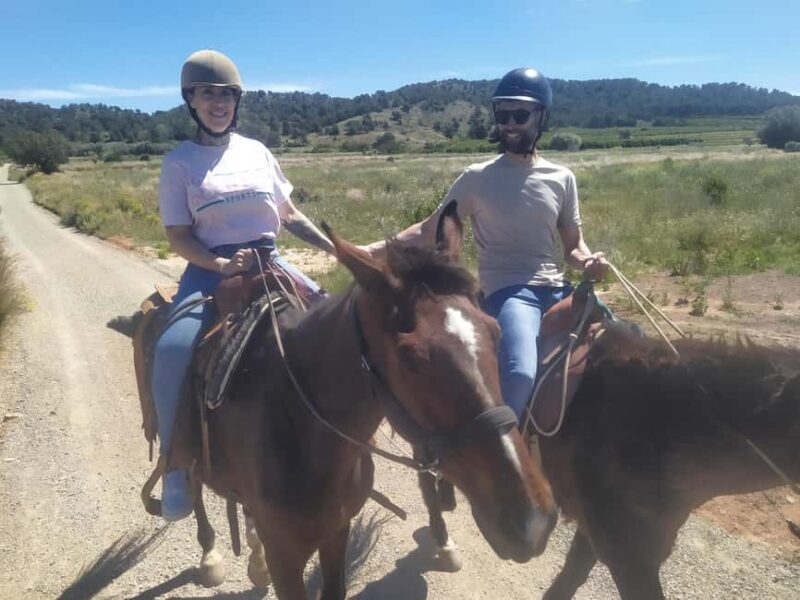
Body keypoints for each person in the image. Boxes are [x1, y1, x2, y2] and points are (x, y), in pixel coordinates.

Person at [362, 67, 608, 423]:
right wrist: (372, 252)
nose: (509, 124)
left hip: (558, 288)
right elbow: (429, 230)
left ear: (541, 117)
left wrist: (587, 262)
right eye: (502, 114)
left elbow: (573, 246)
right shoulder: (478, 178)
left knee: (626, 340)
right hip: (510, 293)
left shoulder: (562, 178)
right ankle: (510, 455)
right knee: (521, 372)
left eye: (519, 115)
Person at [153, 49, 334, 521]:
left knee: (338, 323)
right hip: (210, 269)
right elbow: (177, 237)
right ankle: (174, 463)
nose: (219, 103)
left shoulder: (258, 152)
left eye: (227, 95)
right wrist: (217, 263)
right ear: (190, 100)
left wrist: (337, 250)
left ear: (238, 101)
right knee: (173, 348)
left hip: (270, 260)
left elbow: (289, 215)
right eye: (208, 94)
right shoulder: (179, 163)